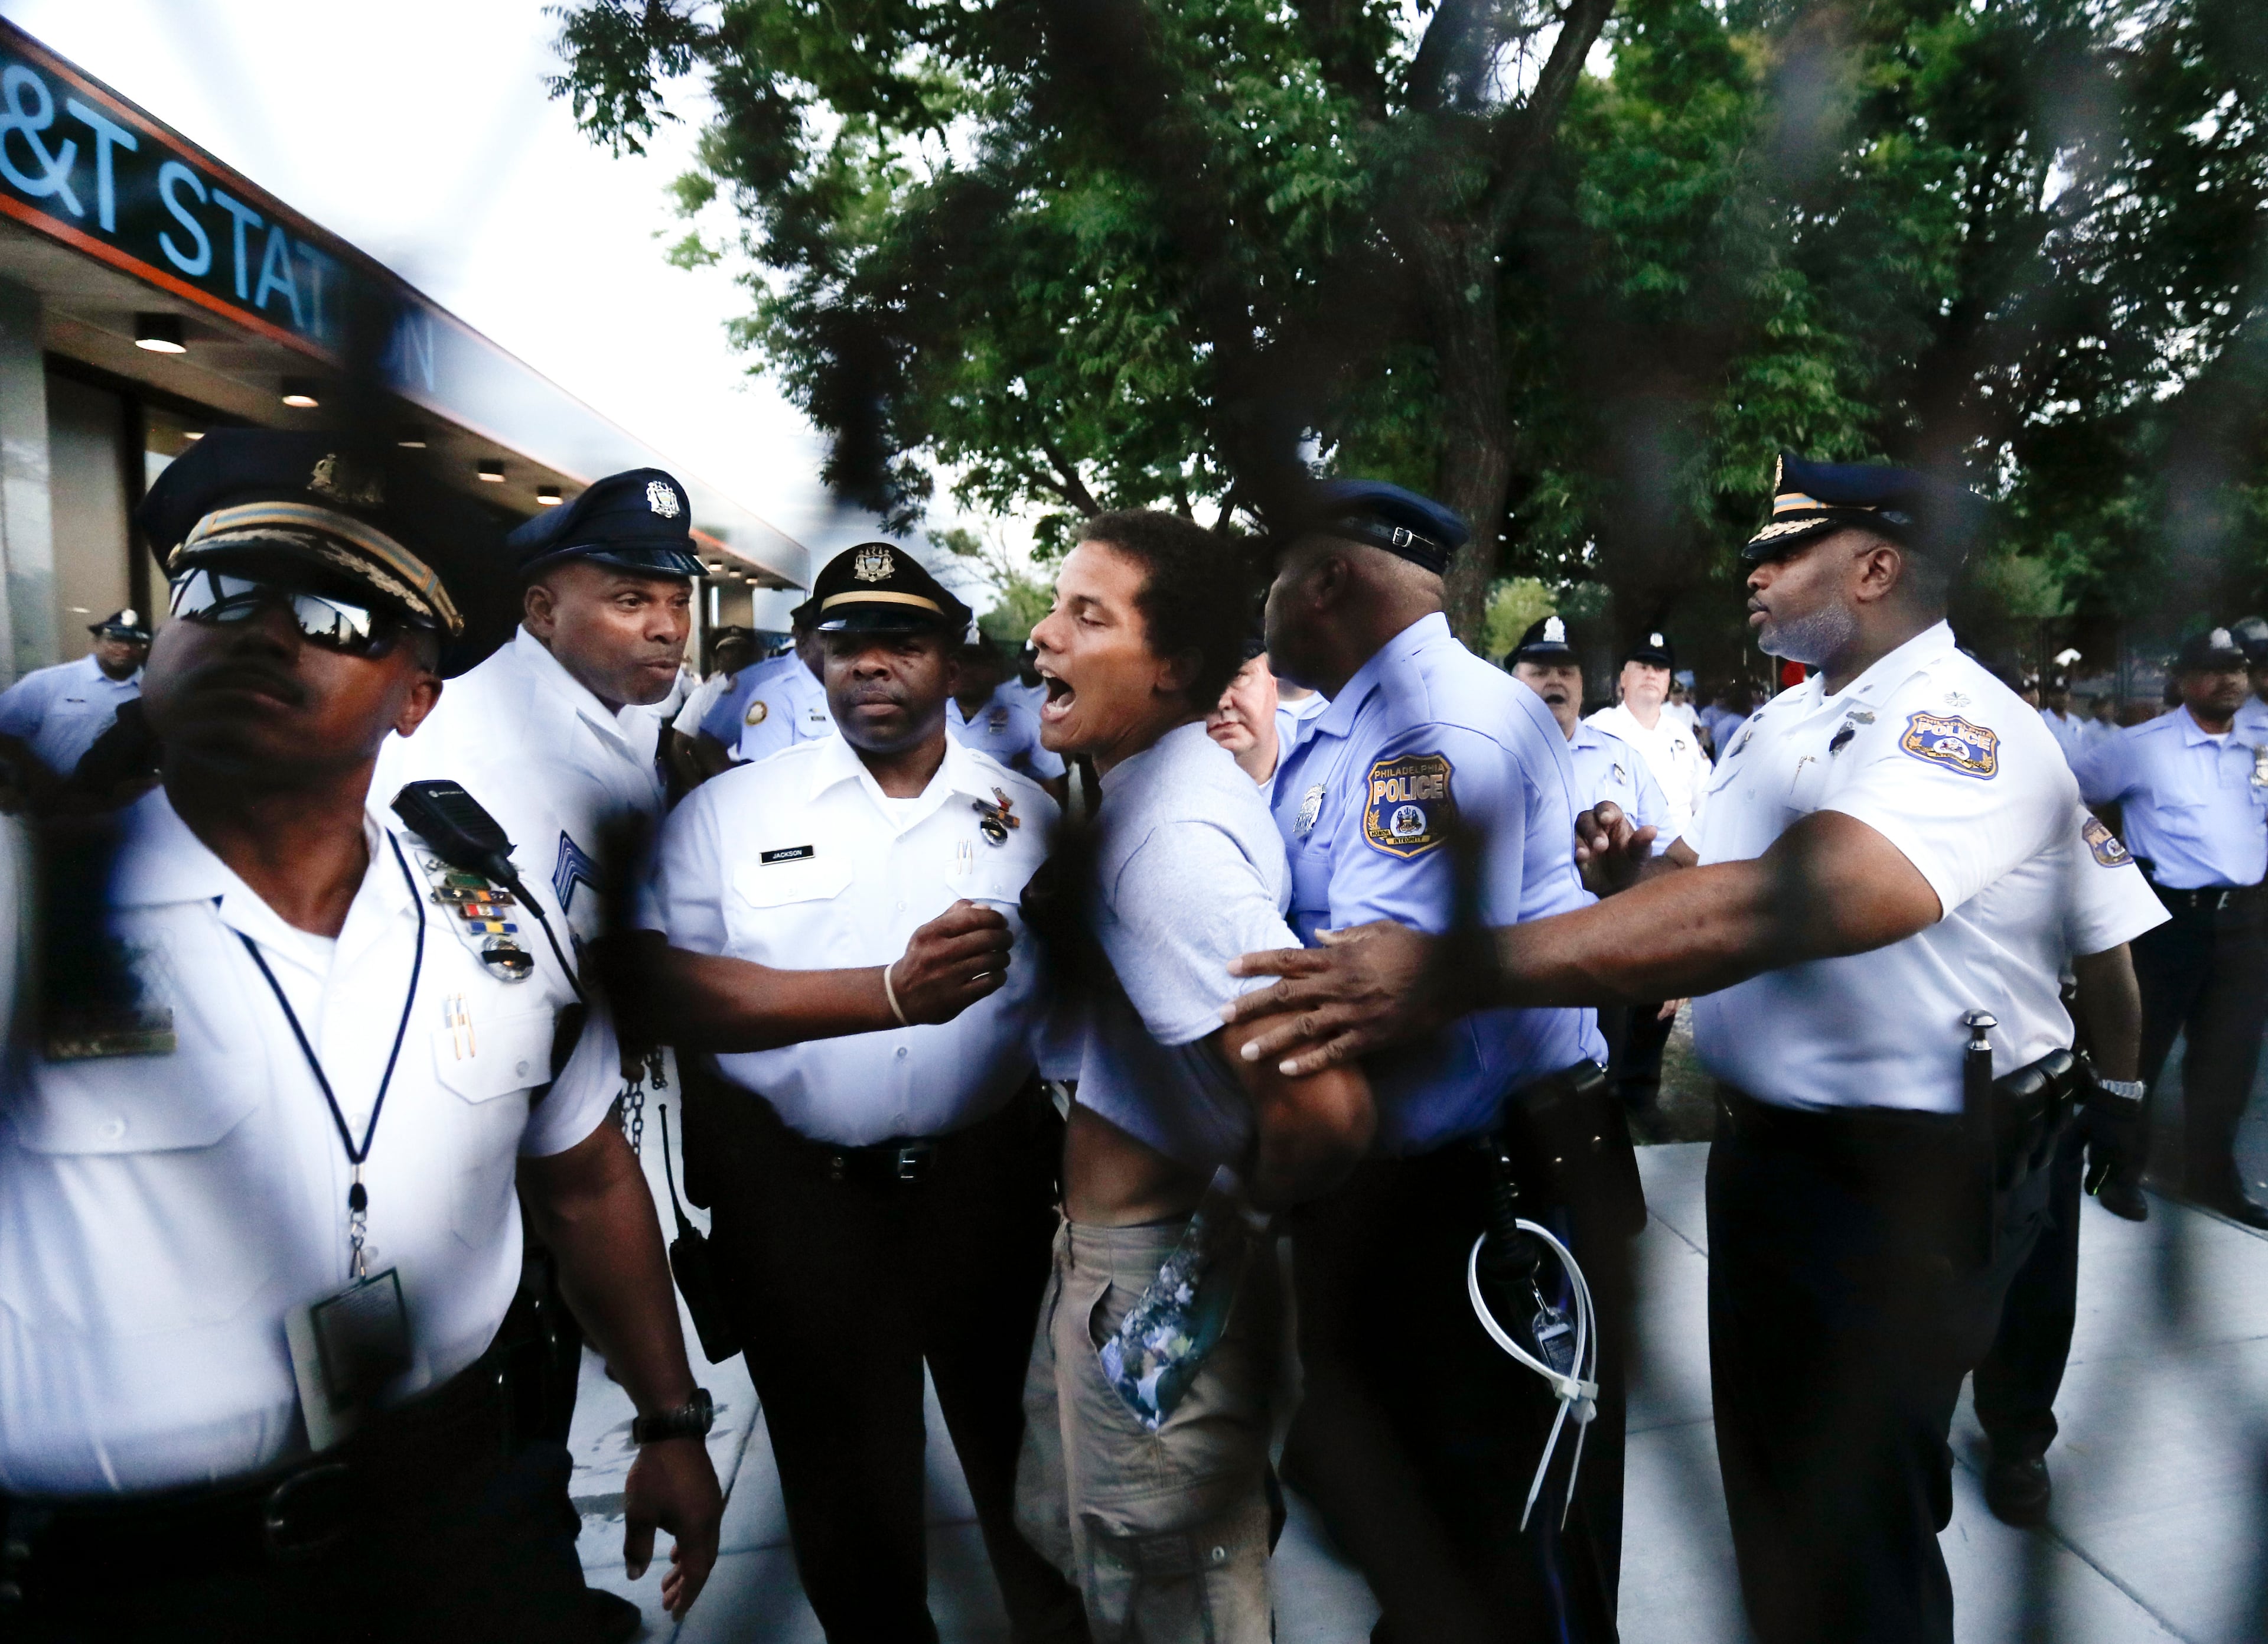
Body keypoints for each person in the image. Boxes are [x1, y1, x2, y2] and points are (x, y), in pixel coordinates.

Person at [1227, 453, 2083, 1644]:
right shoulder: (1788, 718)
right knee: (1779, 1502)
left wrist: (1465, 961)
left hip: (1904, 1173)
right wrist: (1639, 874)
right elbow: (1711, 886)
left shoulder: (1962, 722)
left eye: (1785, 553)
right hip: (1775, 1156)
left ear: (1879, 566)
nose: (1755, 573)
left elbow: (1808, 896)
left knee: (1857, 1527)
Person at [0, 431, 722, 1642]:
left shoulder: (488, 913)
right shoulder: (31, 913)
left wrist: (669, 1417)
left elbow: (585, 1170)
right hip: (135, 1576)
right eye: (223, 593)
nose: (266, 633)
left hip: (465, 1519)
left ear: (415, 697)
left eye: (339, 614)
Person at [631, 541, 1084, 1642]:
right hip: (804, 1205)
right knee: (847, 1515)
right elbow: (667, 989)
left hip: (991, 1192)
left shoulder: (1032, 815)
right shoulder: (728, 814)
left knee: (1038, 1492)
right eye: (848, 644)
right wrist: (884, 992)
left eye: (904, 640)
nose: (872, 665)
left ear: (951, 660)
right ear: (810, 654)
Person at [1259, 481, 1632, 1644]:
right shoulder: (1353, 721)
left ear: (1326, 582)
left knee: (1507, 1525)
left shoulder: (1435, 731)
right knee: (1428, 1511)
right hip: (1412, 1184)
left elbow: (1359, 997)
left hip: (1488, 1190)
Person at [1014, 509, 1376, 1642]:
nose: (1041, 637)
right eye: (1055, 604)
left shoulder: (1163, 846)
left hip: (1162, 1272)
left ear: (1171, 667)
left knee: (1174, 1591)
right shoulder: (1139, 793)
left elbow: (1324, 1101)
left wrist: (1232, 1219)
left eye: (1087, 615)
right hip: (1107, 1263)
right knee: (1080, 1542)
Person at [373, 468, 698, 950]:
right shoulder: (472, 736)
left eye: (680, 601)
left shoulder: (630, 710)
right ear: (544, 613)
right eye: (631, 601)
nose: (669, 628)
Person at [1972, 803, 2163, 1525]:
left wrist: (2118, 1098)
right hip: (1890, 1096)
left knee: (2036, 1277)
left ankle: (2019, 1434)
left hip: (2027, 1090)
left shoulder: (2052, 804)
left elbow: (2109, 960)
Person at [2071, 626, 2268, 1227]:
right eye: (2213, 668)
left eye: (2238, 667)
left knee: (2228, 1061)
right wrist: (2110, 866)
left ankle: (2212, 1177)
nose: (2230, 678)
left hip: (2243, 924)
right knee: (2138, 1055)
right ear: (2183, 680)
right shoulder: (2142, 746)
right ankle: (2115, 1171)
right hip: (2167, 920)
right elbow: (2066, 798)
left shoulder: (2260, 745)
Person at [1509, 615, 1680, 1109]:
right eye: (1539, 668)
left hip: (1609, 961)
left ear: (1587, 685)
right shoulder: (1480, 756)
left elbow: (1676, 858)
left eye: (1568, 670)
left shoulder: (1622, 760)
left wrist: (1630, 884)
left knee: (1600, 1110)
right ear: (1512, 678)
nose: (1555, 681)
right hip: (1513, 962)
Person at [0, 607, 151, 796]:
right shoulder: (49, 682)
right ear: (96, 642)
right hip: (49, 804)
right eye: (116, 639)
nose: (126, 648)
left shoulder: (154, 691)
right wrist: (38, 774)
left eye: (136, 642)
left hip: (126, 807)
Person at [1585, 630, 1711, 843]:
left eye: (1659, 669)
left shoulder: (1683, 736)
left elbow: (1705, 803)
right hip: (1619, 864)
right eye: (1643, 667)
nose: (1651, 675)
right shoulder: (1596, 730)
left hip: (1680, 865)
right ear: (1624, 678)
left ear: (1668, 681)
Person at [694, 608, 833, 774]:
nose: (837, 644)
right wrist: (730, 792)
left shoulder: (845, 679)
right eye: (826, 635)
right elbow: (710, 743)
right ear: (800, 636)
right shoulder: (756, 680)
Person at [949, 636, 1071, 801]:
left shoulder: (1023, 722)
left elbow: (1052, 791)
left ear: (994, 670)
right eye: (960, 662)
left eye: (977, 663)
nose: (967, 671)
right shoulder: (926, 720)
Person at [665, 627, 757, 790]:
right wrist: (698, 789)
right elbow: (679, 746)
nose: (736, 655)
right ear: (718, 659)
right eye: (728, 650)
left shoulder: (767, 689)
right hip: (718, 778)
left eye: (742, 649)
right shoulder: (705, 694)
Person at [1205, 639, 1284, 787]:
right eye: (1202, 685)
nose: (1221, 703)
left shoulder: (1321, 760)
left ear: (1273, 683)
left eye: (1236, 676)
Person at [2038, 673, 2087, 762]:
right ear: (2049, 696)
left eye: (2064, 694)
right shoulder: (2041, 721)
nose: (2061, 698)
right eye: (2056, 694)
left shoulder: (2077, 722)